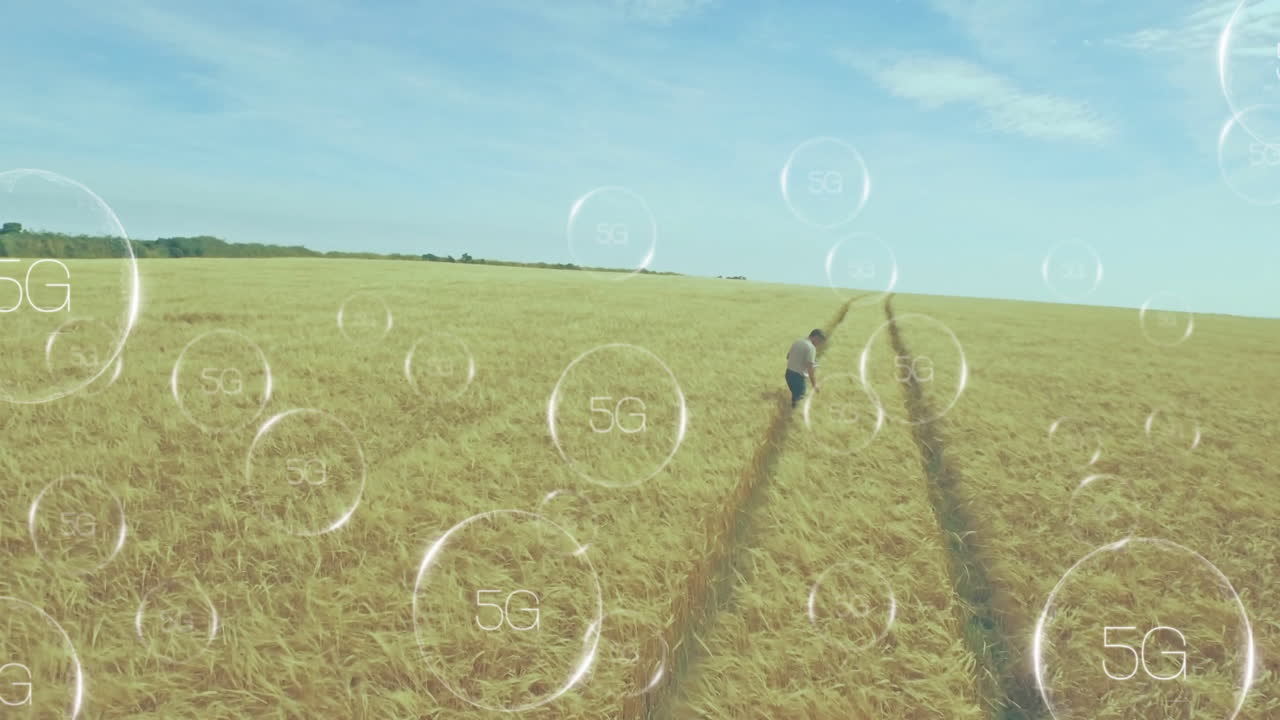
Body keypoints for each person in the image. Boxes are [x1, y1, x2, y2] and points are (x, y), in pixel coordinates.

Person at [785, 329, 825, 408]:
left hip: (788, 374)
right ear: (816, 337)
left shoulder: (798, 341)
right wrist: (814, 385)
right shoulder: (811, 348)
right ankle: (795, 414)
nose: (819, 345)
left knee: (796, 398)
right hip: (798, 378)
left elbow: (788, 356)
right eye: (820, 342)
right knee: (800, 403)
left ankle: (792, 411)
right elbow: (810, 369)